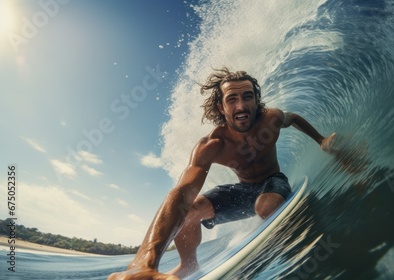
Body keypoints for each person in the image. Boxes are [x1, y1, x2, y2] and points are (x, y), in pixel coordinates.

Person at [108, 68, 337, 280]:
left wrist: (321, 140)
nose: (241, 106)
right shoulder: (213, 144)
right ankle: (188, 265)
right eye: (232, 99)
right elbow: (182, 191)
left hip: (272, 181)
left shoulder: (271, 119)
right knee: (189, 210)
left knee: (265, 206)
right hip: (243, 190)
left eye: (248, 96)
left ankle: (295, 249)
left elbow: (293, 118)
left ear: (256, 101)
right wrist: (143, 262)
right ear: (221, 108)